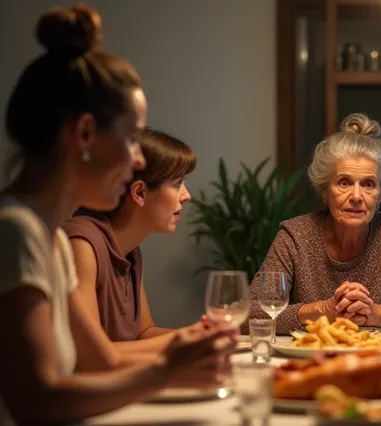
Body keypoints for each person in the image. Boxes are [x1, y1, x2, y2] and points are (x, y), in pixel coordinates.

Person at [0, 5, 234, 425]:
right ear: (85, 134)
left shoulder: (48, 236)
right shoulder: (15, 231)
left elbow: (102, 361)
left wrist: (183, 353)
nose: (135, 161)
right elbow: (34, 400)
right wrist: (166, 371)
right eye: (130, 139)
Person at [246, 113, 381, 335]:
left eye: (368, 184)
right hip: (312, 361)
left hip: (378, 360)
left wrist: (376, 314)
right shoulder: (295, 235)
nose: (356, 196)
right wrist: (321, 310)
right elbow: (246, 315)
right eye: (344, 182)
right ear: (324, 190)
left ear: (380, 195)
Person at [63, 128, 196, 352]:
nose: (187, 195)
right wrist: (188, 339)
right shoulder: (82, 244)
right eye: (177, 184)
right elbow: (93, 355)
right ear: (139, 193)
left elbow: (143, 334)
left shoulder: (130, 249)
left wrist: (201, 333)